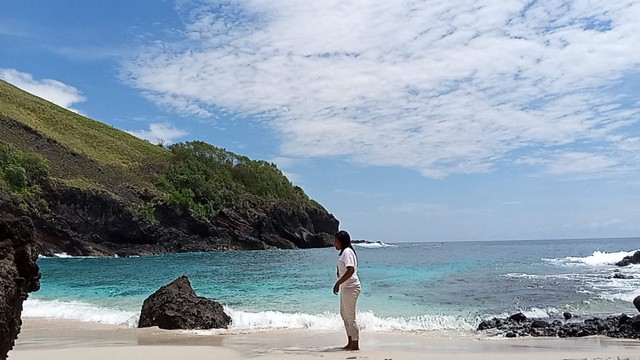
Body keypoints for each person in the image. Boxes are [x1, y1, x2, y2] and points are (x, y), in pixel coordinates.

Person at [332, 230, 361, 351]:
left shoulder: (347, 252)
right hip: (346, 287)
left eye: (336, 241)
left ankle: (355, 344)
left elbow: (350, 270)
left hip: (351, 287)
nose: (334, 243)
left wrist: (338, 282)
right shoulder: (344, 252)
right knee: (344, 315)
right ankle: (350, 341)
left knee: (350, 316)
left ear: (341, 241)